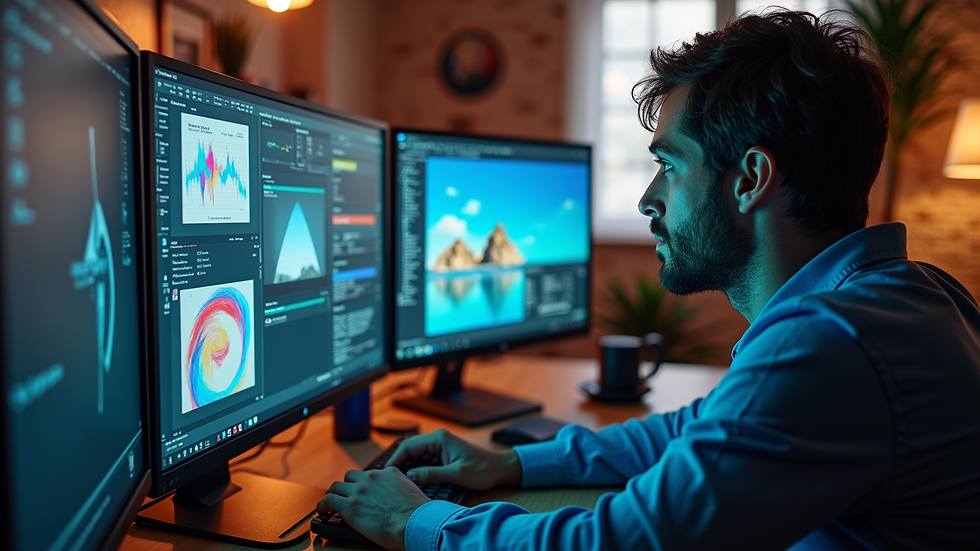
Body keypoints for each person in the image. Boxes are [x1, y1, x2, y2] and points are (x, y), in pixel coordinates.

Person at [318, 10, 980, 551]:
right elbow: (703, 426)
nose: (647, 198)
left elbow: (626, 542)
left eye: (669, 164)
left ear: (749, 179)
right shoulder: (910, 293)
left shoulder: (831, 343)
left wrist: (419, 522)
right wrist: (512, 463)